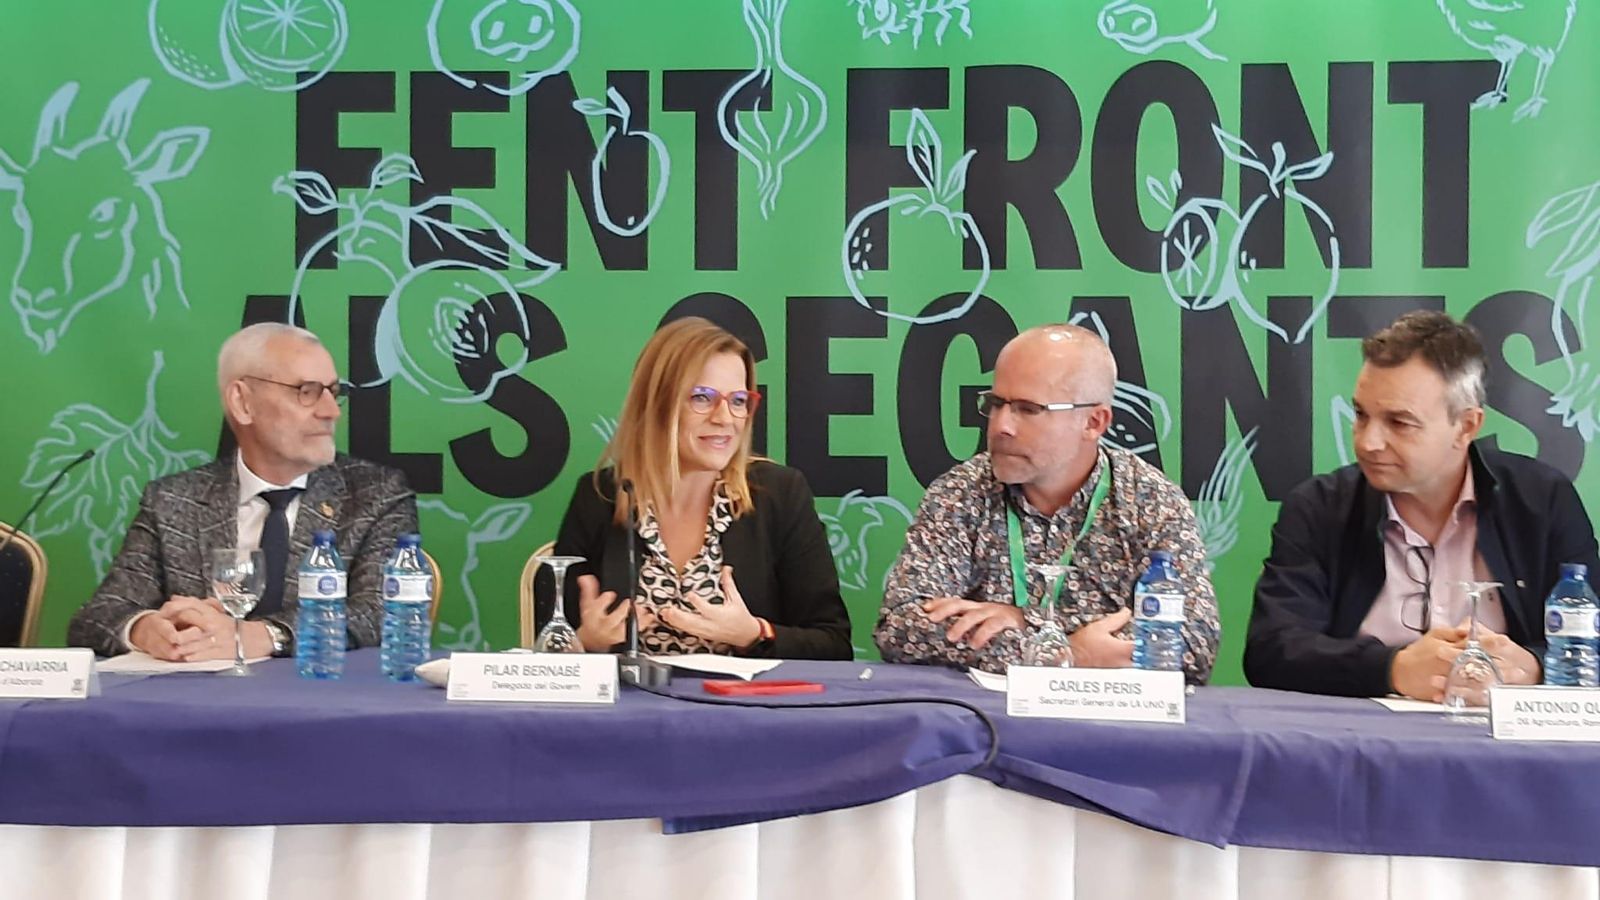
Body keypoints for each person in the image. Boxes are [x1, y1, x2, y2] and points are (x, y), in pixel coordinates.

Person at [1245, 311, 1600, 700]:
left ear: (1466, 427)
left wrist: (1534, 666)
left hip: (1505, 750)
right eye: (1362, 415)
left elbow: (1589, 641)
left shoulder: (1540, 501)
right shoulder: (1319, 508)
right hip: (1359, 746)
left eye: (1399, 423)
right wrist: (1391, 668)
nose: (1368, 442)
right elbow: (1272, 649)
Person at [874, 324, 1219, 683]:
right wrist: (1071, 653)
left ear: (1094, 422)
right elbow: (901, 626)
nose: (1001, 426)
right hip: (987, 728)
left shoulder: (1149, 501)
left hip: (1112, 731)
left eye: (1027, 409)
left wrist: (1027, 620)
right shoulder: (961, 493)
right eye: (996, 404)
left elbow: (1192, 642)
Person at [68, 323, 417, 660]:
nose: (330, 412)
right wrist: (145, 628)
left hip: (324, 704)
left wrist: (264, 635)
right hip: (195, 711)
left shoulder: (375, 495)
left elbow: (381, 613)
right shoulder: (174, 501)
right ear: (242, 402)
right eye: (307, 392)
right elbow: (99, 615)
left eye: (333, 393)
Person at [546, 318, 853, 659]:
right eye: (702, 397)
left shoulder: (781, 494)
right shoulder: (598, 497)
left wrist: (756, 634)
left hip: (747, 711)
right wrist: (586, 643)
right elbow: (549, 654)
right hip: (633, 709)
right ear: (655, 404)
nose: (725, 418)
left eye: (738, 400)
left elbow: (834, 644)